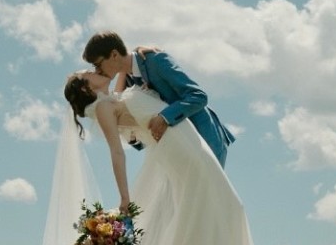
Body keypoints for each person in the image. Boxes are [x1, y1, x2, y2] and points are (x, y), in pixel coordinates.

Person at [22, 69, 262, 245]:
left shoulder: (112, 99)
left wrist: (132, 60)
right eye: (89, 73)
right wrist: (124, 198)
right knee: (222, 209)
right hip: (181, 154)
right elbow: (117, 153)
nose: (96, 70)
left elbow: (123, 68)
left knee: (212, 213)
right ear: (85, 88)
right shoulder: (103, 109)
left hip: (188, 146)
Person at [83, 31, 234, 167]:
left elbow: (198, 96)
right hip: (177, 148)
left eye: (97, 64)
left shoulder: (156, 60)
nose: (97, 70)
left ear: (114, 55)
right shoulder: (128, 80)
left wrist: (164, 117)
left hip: (204, 140)